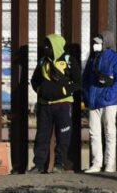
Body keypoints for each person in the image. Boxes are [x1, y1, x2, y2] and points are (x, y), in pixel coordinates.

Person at [29, 33, 81, 174]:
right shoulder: (43, 62)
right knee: (42, 136)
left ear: (55, 47)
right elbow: (34, 80)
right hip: (45, 105)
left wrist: (64, 90)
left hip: (63, 105)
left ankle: (59, 164)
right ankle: (39, 165)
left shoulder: (69, 61)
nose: (45, 48)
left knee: (63, 136)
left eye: (48, 45)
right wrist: (40, 90)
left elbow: (78, 82)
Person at [82, 31, 117, 173]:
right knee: (94, 133)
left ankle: (109, 164)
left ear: (106, 43)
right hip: (94, 100)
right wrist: (87, 94)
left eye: (99, 42)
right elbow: (85, 78)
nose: (96, 45)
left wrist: (109, 93)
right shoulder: (93, 58)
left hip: (109, 101)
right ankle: (96, 163)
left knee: (109, 132)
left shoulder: (115, 58)